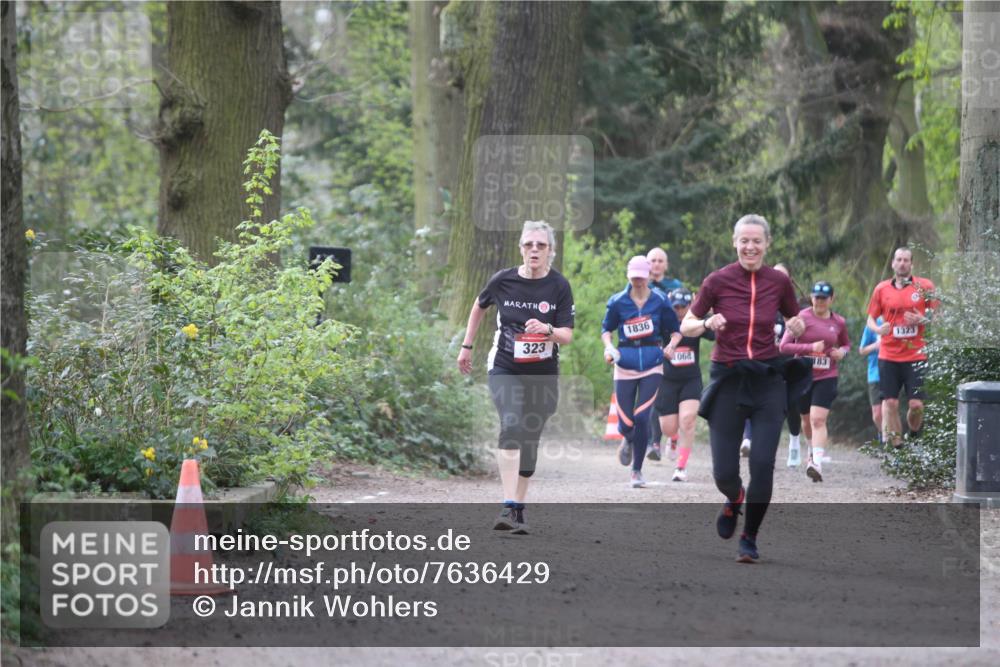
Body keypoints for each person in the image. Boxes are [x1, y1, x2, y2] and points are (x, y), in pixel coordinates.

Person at [680, 214, 808, 563]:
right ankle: (734, 497)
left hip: (767, 379)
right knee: (724, 473)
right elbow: (687, 324)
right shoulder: (717, 281)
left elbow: (793, 319)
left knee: (763, 464)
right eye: (744, 241)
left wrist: (796, 325)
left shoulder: (779, 282)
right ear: (734, 243)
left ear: (767, 244)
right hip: (729, 378)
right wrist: (707, 322)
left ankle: (749, 537)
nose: (750, 247)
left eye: (757, 241)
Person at [457, 220, 574, 534]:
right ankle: (508, 506)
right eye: (529, 245)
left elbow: (566, 335)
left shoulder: (559, 286)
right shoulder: (503, 280)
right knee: (511, 423)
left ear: (550, 251)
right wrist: (467, 346)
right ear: (521, 248)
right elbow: (479, 305)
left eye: (541, 245)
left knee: (529, 442)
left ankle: (518, 508)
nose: (534, 250)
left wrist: (547, 329)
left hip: (542, 374)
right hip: (505, 366)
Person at [601, 256, 681, 488]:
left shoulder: (660, 300)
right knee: (625, 423)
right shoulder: (617, 301)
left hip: (652, 363)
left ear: (647, 277)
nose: (637, 281)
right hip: (624, 364)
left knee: (642, 416)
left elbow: (675, 331)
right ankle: (628, 438)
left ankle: (636, 471)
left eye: (641, 277)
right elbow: (606, 330)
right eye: (633, 277)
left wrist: (671, 346)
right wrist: (609, 347)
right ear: (628, 276)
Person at [866, 247, 938, 448]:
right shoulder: (881, 289)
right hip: (888, 356)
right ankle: (898, 447)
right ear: (893, 263)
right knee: (890, 403)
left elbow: (937, 317)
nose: (902, 263)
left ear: (912, 264)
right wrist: (878, 329)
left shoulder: (925, 286)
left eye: (906, 260)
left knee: (916, 405)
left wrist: (922, 319)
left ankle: (914, 434)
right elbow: (870, 319)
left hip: (916, 355)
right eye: (899, 260)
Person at [779, 280, 850, 482]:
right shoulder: (800, 319)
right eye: (817, 298)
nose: (820, 302)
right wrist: (809, 347)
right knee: (806, 420)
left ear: (831, 299)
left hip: (827, 375)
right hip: (802, 375)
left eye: (824, 298)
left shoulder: (839, 322)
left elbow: (846, 344)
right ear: (811, 298)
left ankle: (816, 462)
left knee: (818, 419)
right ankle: (811, 451)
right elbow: (784, 347)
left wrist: (842, 352)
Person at [657, 287, 714, 482]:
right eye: (675, 307)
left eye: (683, 306)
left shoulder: (694, 324)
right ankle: (673, 438)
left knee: (688, 420)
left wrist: (710, 316)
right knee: (668, 428)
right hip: (667, 380)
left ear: (690, 306)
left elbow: (714, 334)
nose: (679, 311)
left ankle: (681, 467)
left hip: (690, 380)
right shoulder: (664, 322)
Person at [645, 247, 683, 461]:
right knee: (653, 395)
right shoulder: (640, 285)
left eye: (660, 260)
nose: (657, 264)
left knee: (671, 395)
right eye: (653, 260)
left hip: (675, 344)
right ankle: (653, 443)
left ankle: (671, 435)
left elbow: (687, 311)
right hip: (650, 345)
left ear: (666, 265)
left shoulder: (676, 286)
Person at [858, 317, 884, 443]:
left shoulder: (896, 321)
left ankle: (889, 440)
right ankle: (882, 433)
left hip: (891, 372)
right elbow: (862, 350)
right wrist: (876, 345)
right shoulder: (873, 323)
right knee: (877, 413)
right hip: (875, 373)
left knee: (890, 408)